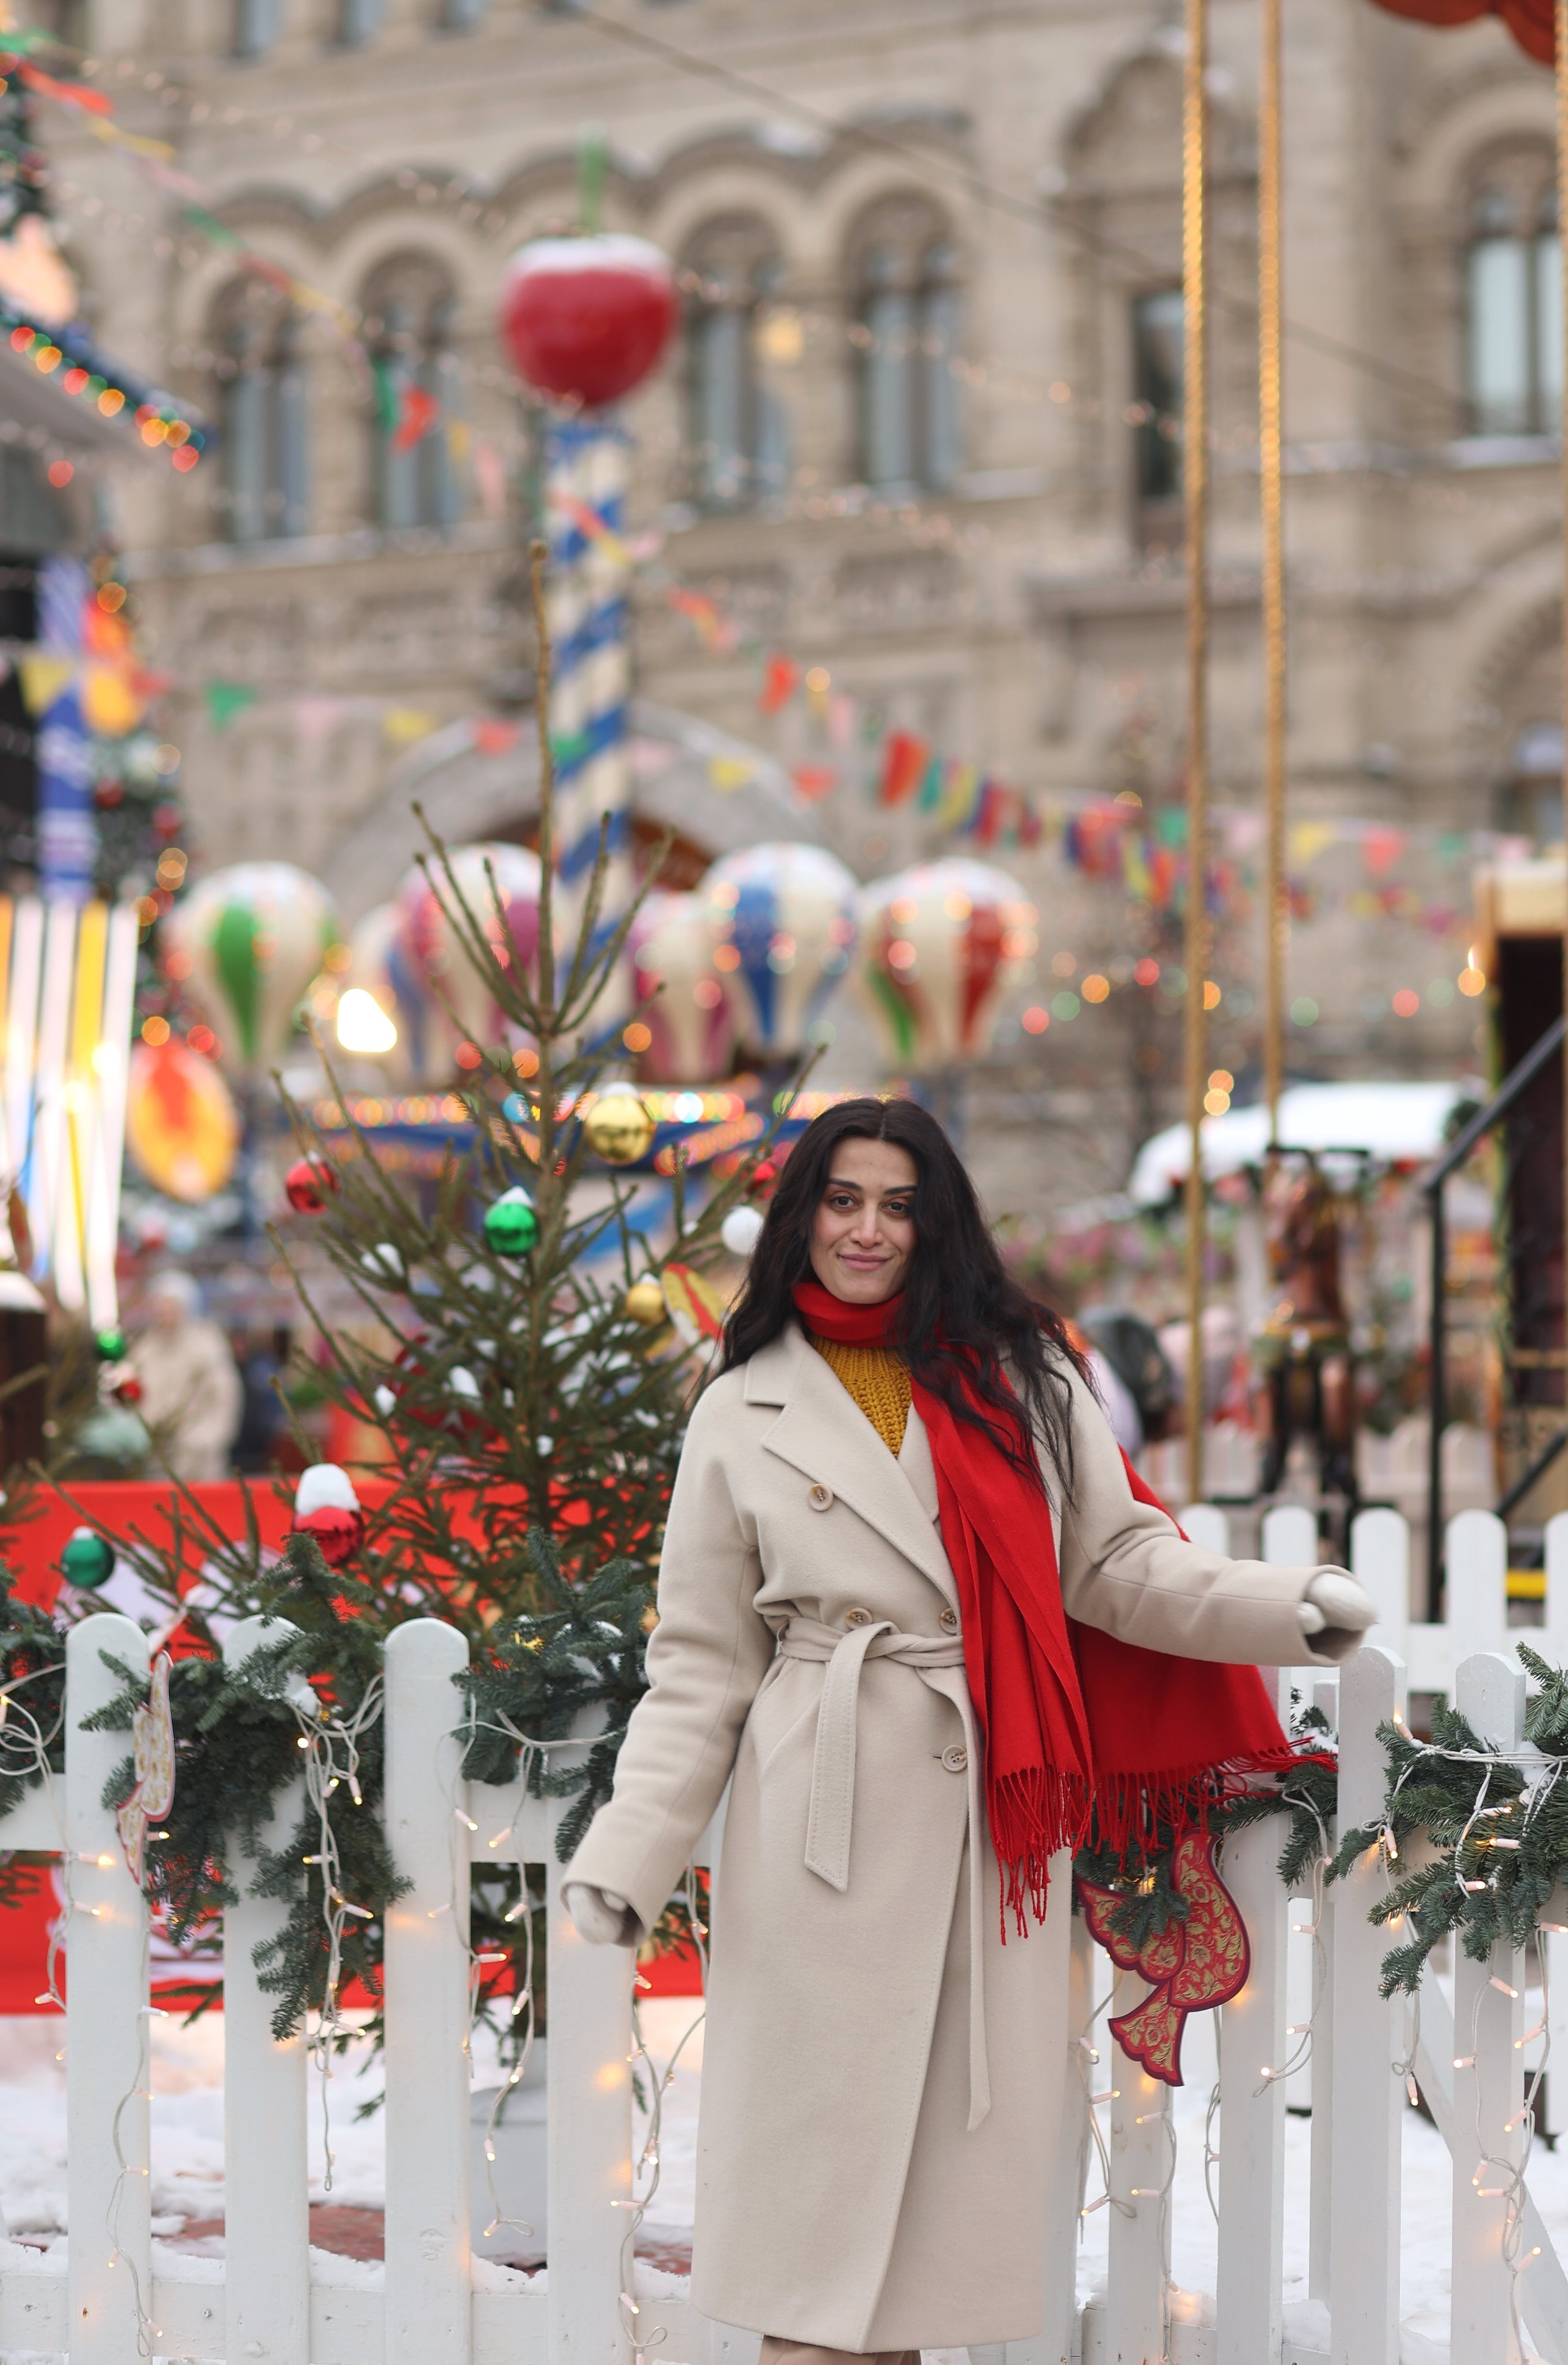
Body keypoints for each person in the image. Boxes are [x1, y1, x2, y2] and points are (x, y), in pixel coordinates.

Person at [563, 1100, 1376, 2365]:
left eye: (898, 1205)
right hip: (821, 1828)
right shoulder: (740, 1406)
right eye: (842, 1200)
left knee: (922, 2266)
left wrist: (1288, 1607)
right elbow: (703, 1664)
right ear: (801, 1217)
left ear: (936, 1221)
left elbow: (1116, 1564)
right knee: (812, 2258)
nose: (867, 1230)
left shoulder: (1025, 1378)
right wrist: (629, 1854)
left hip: (985, 1836)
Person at [129, 1269, 243, 1482]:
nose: (165, 1312)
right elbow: (137, 1394)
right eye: (160, 1305)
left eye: (171, 1305)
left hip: (199, 1454)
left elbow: (225, 1397)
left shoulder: (207, 1346)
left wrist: (209, 1437)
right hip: (157, 1452)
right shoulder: (146, 1348)